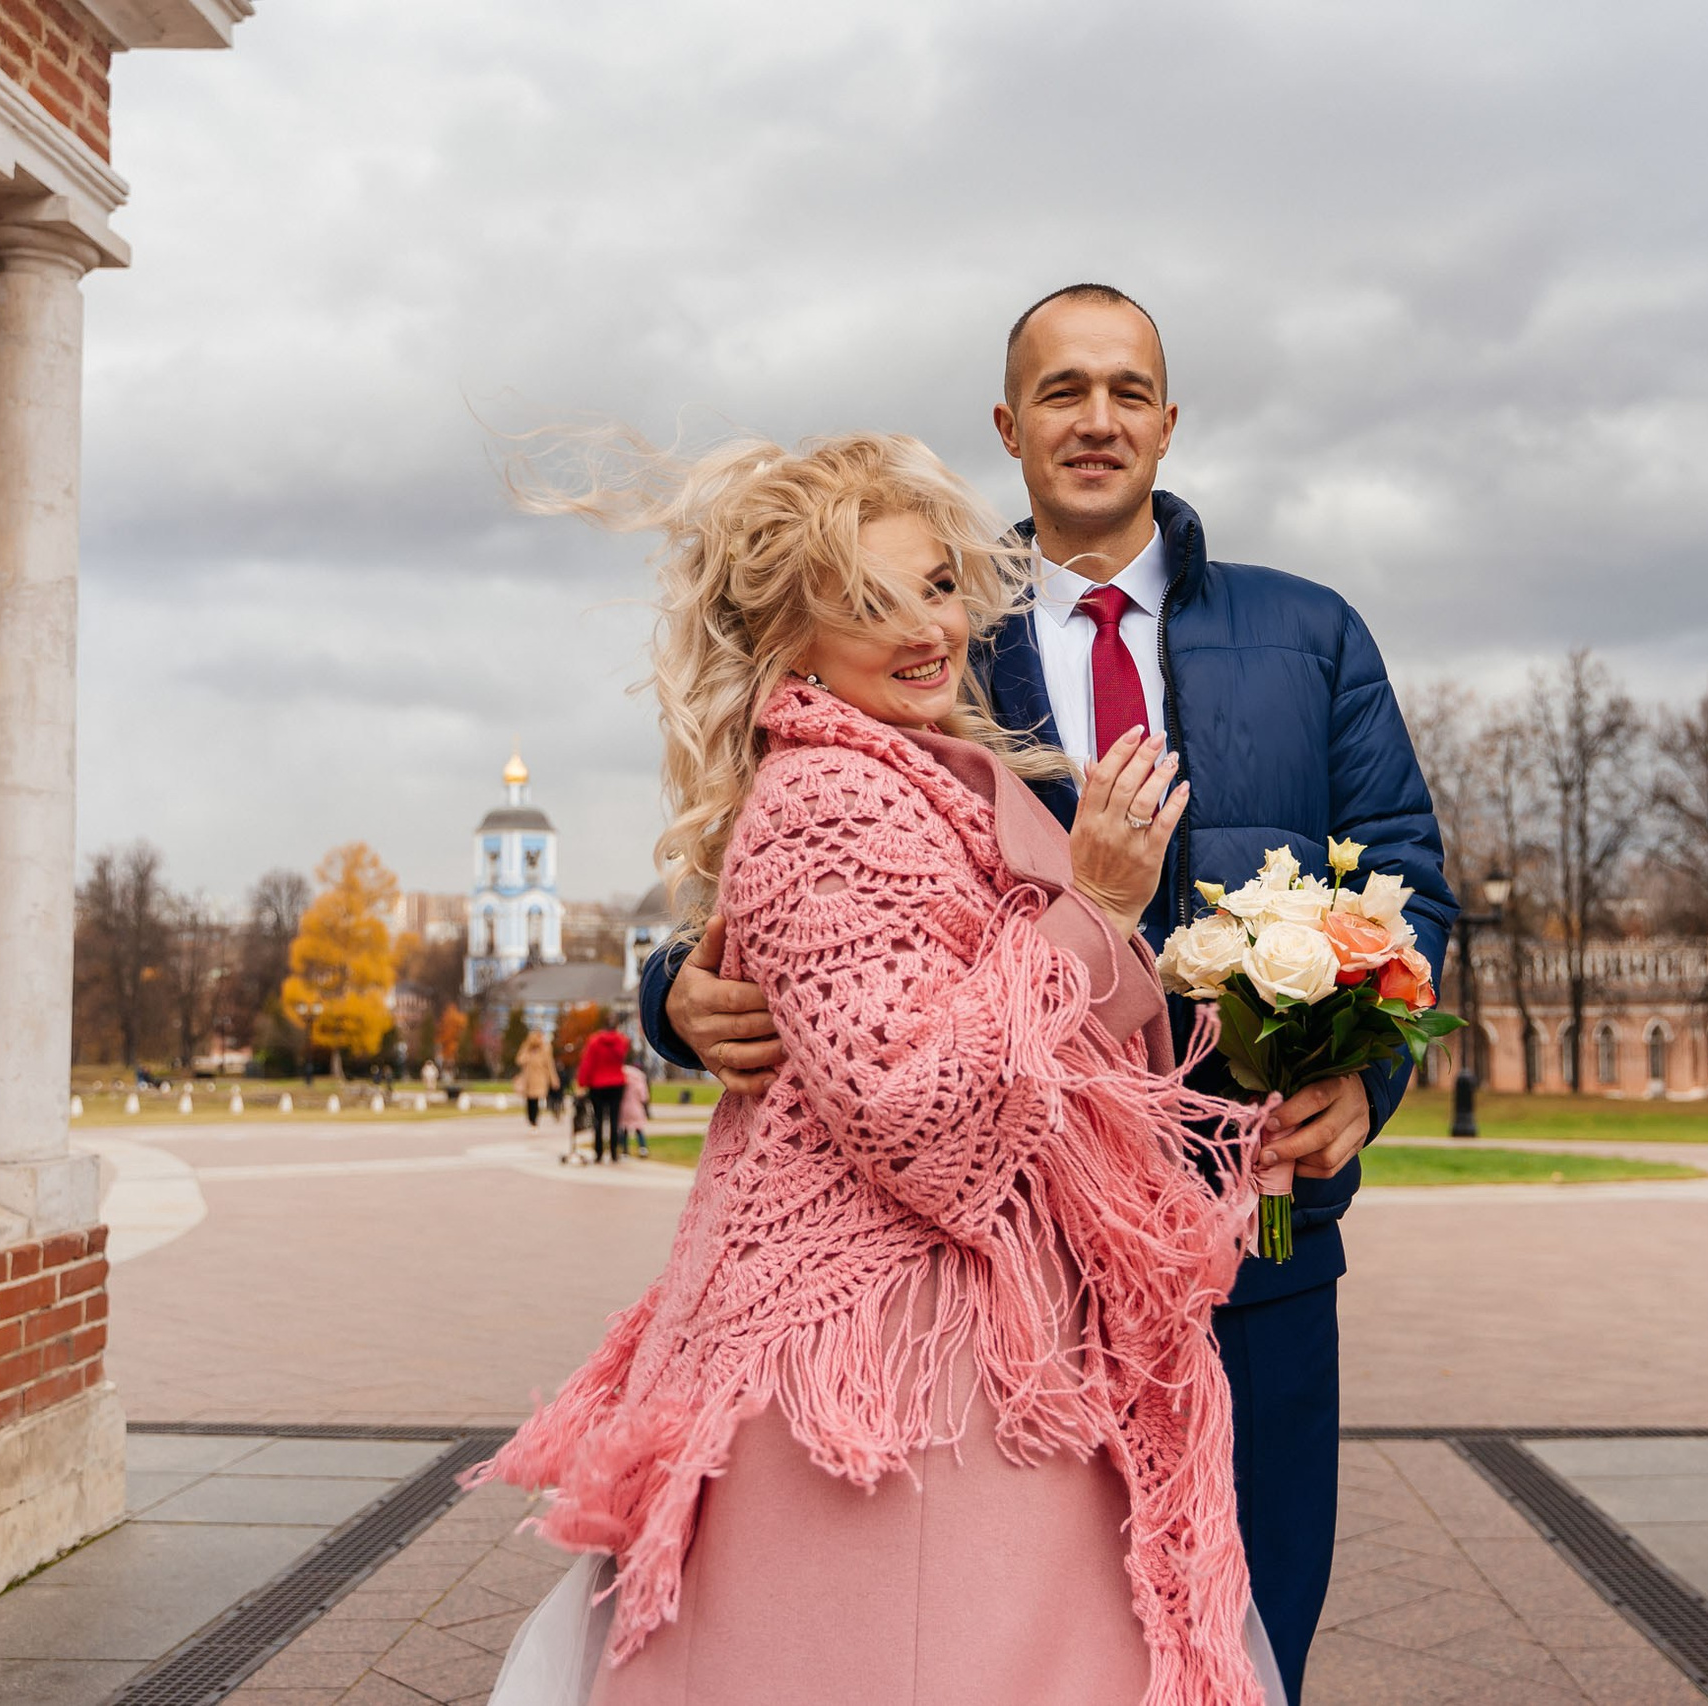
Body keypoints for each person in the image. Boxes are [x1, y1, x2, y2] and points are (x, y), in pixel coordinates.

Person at [639, 285, 1456, 1701]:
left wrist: (1364, 1076)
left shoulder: (1311, 631)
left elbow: (1403, 877)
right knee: (1034, 1648)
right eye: (1062, 390)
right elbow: (795, 859)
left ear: (1169, 419)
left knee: (1252, 1634)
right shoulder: (933, 608)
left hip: (1252, 1230)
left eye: (1127, 388)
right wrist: (673, 995)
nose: (1097, 417)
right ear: (1009, 428)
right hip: (1025, 1274)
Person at [475, 433, 1283, 1706]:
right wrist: (1097, 904)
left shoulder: (915, 778)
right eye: (866, 600)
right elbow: (915, 1104)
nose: (927, 628)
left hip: (961, 1350)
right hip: (896, 1372)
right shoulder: (828, 803)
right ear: (790, 639)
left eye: (935, 585)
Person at [576, 1024, 630, 1162]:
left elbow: (587, 1063)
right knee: (614, 1119)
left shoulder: (594, 1042)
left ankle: (599, 1152)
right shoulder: (620, 1041)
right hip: (616, 1083)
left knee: (598, 1119)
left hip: (598, 1084)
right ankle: (613, 1152)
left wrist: (582, 1082)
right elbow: (623, 1054)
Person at [515, 1028, 559, 1129]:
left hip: (540, 1077)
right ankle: (531, 1119)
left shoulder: (546, 1048)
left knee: (536, 1099)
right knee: (529, 1100)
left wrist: (553, 1079)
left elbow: (549, 1064)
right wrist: (528, 1054)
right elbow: (519, 1060)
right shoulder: (527, 1047)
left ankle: (534, 1121)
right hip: (528, 1078)